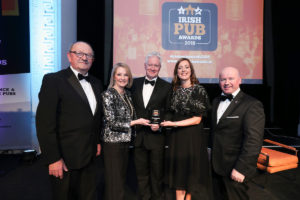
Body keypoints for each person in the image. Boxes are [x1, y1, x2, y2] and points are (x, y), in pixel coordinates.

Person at [36, 41, 103, 200]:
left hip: (89, 156)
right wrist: (53, 158)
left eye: (88, 55)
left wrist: (97, 141)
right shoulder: (53, 80)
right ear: (69, 56)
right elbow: (44, 123)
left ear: (92, 60)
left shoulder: (97, 83)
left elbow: (95, 118)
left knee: (88, 195)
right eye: (79, 53)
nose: (84, 57)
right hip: (64, 158)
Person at [210, 66, 265, 200]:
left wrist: (241, 168)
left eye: (231, 78)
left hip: (235, 168)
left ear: (240, 80)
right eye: (223, 79)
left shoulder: (252, 104)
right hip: (216, 167)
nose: (226, 82)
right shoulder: (216, 101)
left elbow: (254, 141)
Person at [161, 58, 211, 200]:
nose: (183, 70)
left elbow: (197, 119)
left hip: (192, 136)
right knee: (179, 175)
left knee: (189, 176)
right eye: (180, 68)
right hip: (177, 137)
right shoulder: (174, 90)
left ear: (191, 70)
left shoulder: (199, 90)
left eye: (186, 67)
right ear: (176, 71)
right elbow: (168, 112)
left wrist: (173, 124)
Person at [101, 63, 150, 200]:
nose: (123, 77)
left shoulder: (127, 94)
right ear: (114, 77)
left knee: (121, 181)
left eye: (125, 74)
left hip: (125, 143)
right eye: (119, 74)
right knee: (114, 183)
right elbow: (112, 122)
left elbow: (132, 115)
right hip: (112, 144)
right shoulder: (108, 94)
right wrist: (136, 122)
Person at [131, 52, 172, 200]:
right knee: (141, 173)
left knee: (157, 173)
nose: (153, 68)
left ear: (160, 67)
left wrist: (160, 125)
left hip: (157, 138)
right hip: (139, 137)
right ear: (145, 66)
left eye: (156, 65)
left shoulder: (167, 87)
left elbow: (169, 112)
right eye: (150, 65)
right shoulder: (133, 84)